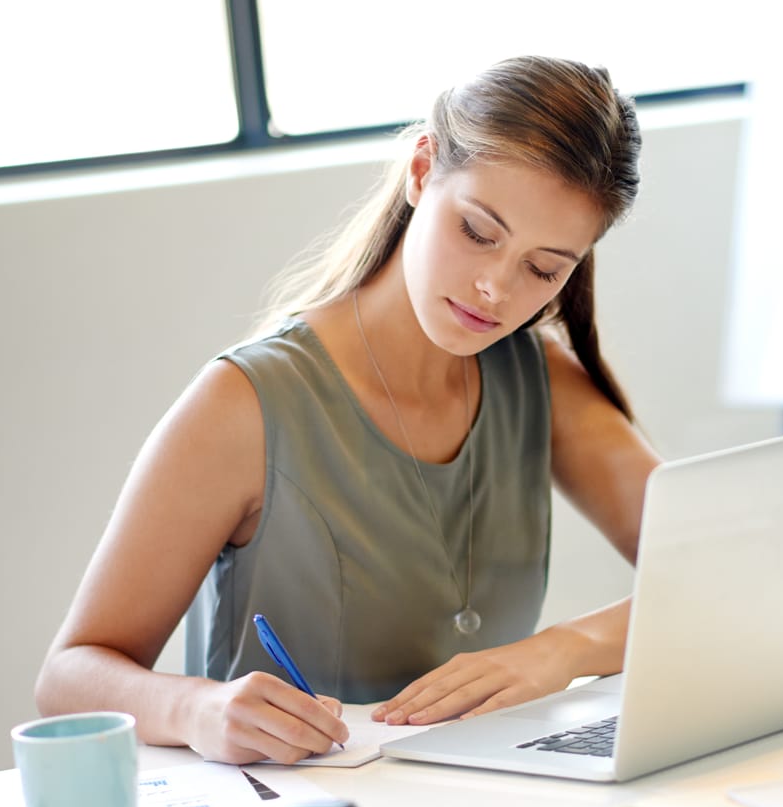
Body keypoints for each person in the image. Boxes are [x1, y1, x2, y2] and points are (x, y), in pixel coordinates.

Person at [33, 56, 661, 765]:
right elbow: (67, 676)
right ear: (423, 171)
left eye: (544, 268)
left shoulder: (537, 378)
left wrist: (565, 650)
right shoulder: (245, 403)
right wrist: (196, 708)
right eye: (478, 232)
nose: (494, 288)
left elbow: (722, 574)